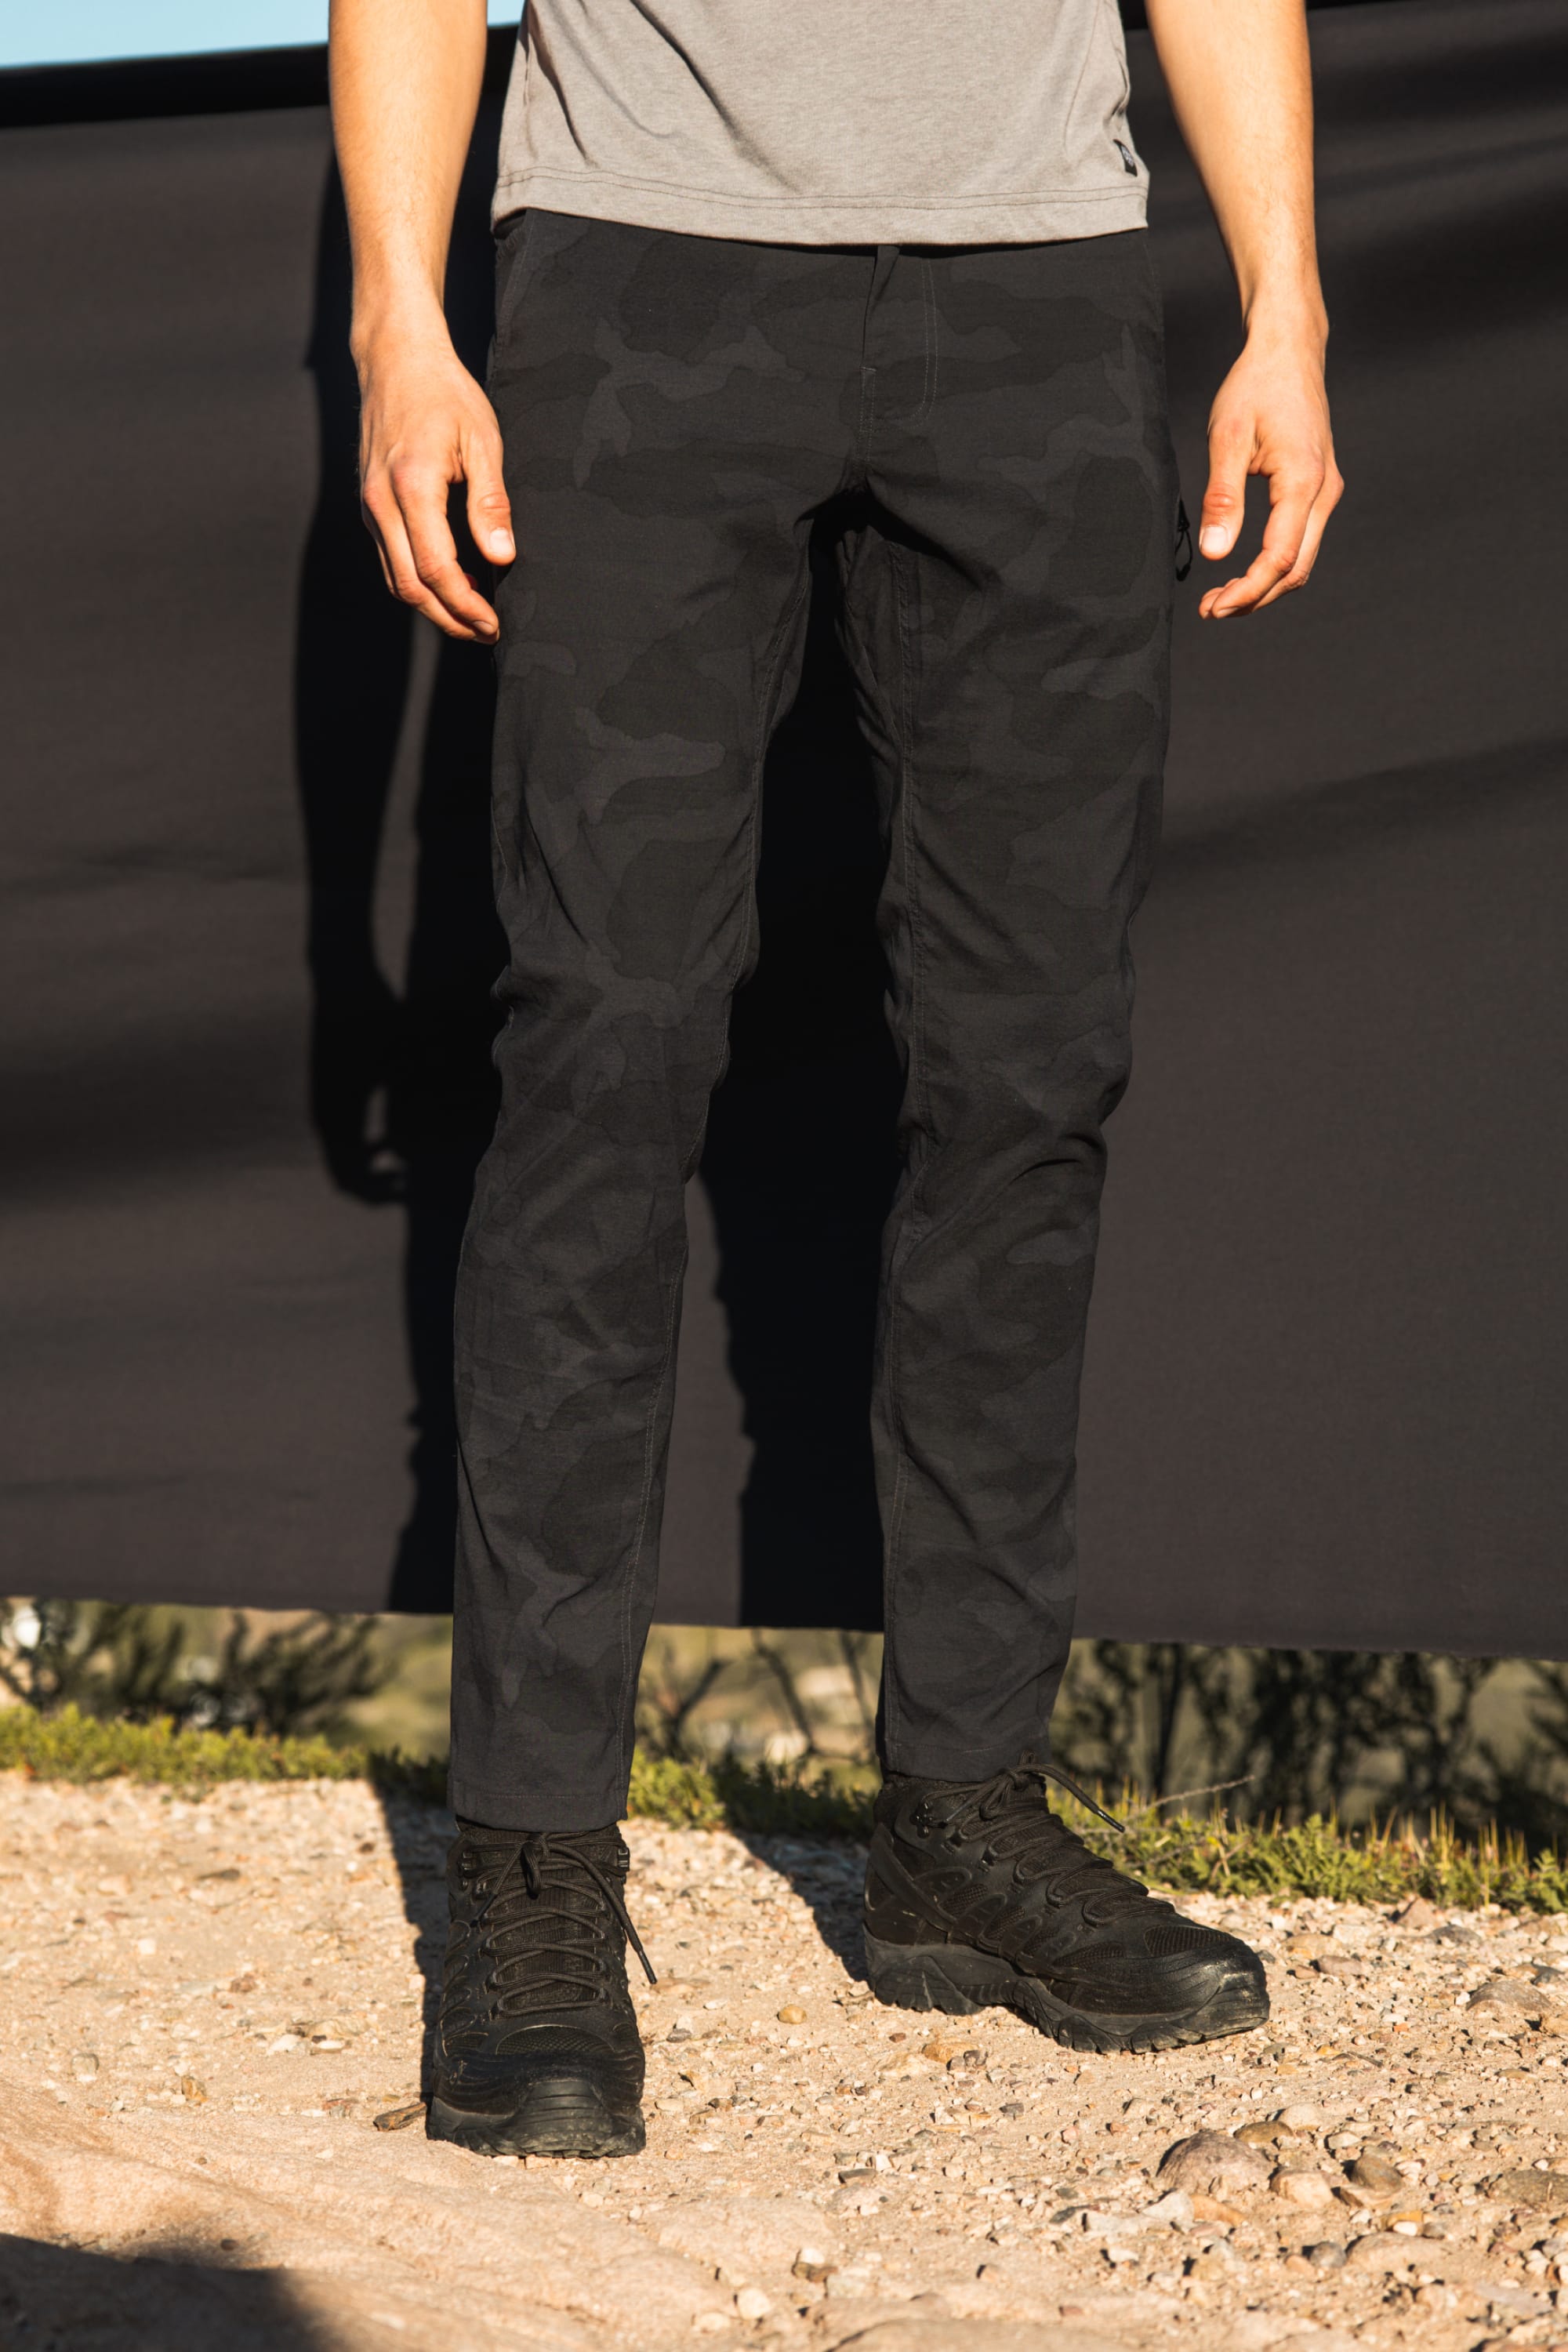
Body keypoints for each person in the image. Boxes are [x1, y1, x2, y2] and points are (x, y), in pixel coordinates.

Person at [330, 0, 1341, 2159]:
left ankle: (962, 1814)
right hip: (640, 260)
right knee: (601, 1056)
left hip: (1047, 280)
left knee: (1030, 1065)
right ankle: (530, 1871)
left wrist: (1289, 306)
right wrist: (405, 324)